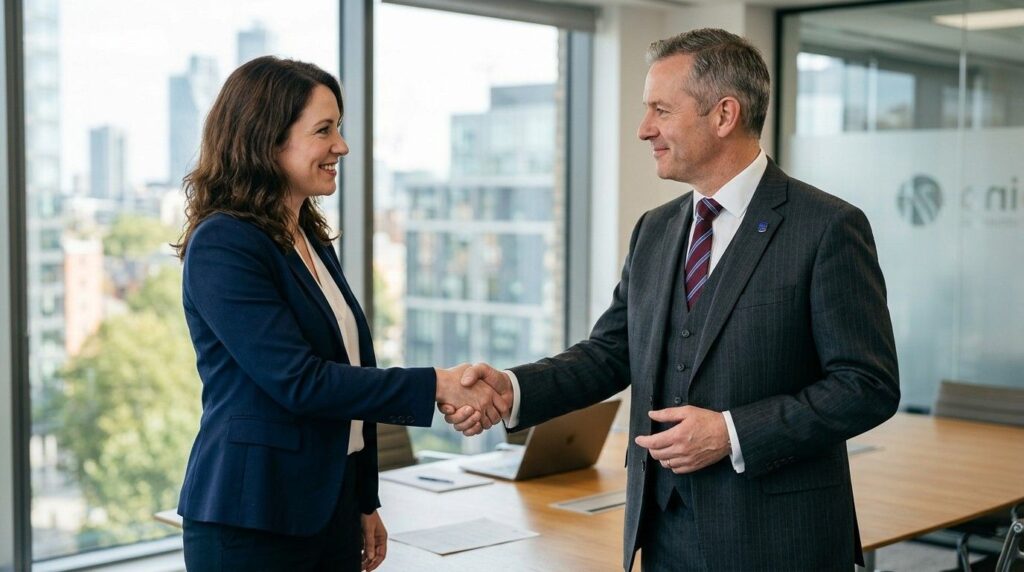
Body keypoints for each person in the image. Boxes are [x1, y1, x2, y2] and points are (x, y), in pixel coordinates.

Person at [444, 29, 899, 571]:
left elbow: (866, 386)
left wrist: (730, 433)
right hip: (663, 534)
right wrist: (513, 388)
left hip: (780, 542)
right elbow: (610, 353)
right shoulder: (655, 230)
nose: (644, 130)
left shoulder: (827, 227)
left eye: (661, 110)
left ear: (724, 115)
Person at [174, 56, 507, 572]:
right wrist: (436, 384)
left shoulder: (307, 235)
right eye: (324, 130)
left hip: (327, 507)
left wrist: (364, 499)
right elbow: (301, 382)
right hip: (252, 517)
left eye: (340, 128)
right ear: (268, 139)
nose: (342, 147)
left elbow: (350, 375)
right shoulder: (224, 243)